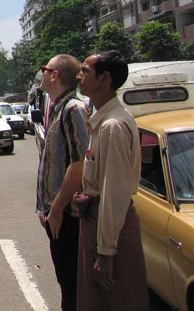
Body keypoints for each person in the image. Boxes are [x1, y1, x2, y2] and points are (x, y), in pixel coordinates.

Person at [75, 51, 148, 310]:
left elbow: (113, 193)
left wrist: (106, 251)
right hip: (100, 226)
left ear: (104, 79)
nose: (79, 76)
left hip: (108, 231)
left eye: (85, 71)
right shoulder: (103, 120)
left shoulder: (112, 126)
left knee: (114, 299)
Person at [35, 54, 90, 311]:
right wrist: (45, 208)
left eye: (44, 70)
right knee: (66, 281)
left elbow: (79, 165)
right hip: (57, 214)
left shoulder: (73, 109)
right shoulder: (59, 107)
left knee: (73, 286)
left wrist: (56, 208)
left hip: (68, 216)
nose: (41, 74)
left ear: (54, 76)